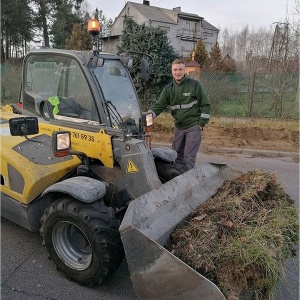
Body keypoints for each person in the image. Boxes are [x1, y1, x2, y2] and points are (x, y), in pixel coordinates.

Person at [149, 58, 211, 173]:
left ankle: (186, 183)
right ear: (172, 71)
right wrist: (149, 115)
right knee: (176, 155)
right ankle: (177, 180)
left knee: (188, 158)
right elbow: (159, 105)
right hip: (179, 127)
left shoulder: (194, 85)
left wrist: (201, 124)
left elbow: (206, 105)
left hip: (193, 127)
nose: (178, 72)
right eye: (175, 70)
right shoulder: (168, 89)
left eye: (180, 69)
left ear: (184, 70)